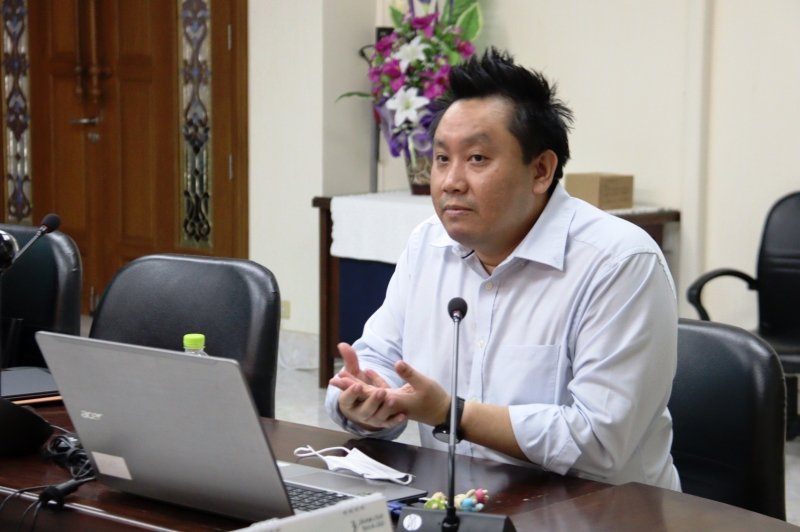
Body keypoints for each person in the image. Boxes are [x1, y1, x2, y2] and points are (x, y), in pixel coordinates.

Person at [326, 48, 680, 490]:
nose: (451, 181)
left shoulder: (618, 262)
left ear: (541, 170)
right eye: (441, 159)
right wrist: (365, 402)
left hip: (601, 510)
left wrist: (451, 414)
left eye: (477, 158)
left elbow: (599, 443)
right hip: (459, 501)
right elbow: (372, 361)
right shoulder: (428, 244)